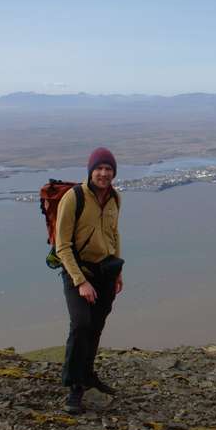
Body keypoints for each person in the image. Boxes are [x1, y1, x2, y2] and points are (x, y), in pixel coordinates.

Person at [56, 147, 124, 414]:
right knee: (81, 325)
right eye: (99, 168)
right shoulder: (74, 198)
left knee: (95, 327)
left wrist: (118, 272)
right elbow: (62, 246)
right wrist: (80, 281)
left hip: (106, 272)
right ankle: (75, 386)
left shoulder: (115, 198)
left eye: (108, 169)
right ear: (90, 171)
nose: (104, 173)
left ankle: (88, 374)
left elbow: (114, 235)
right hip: (78, 270)